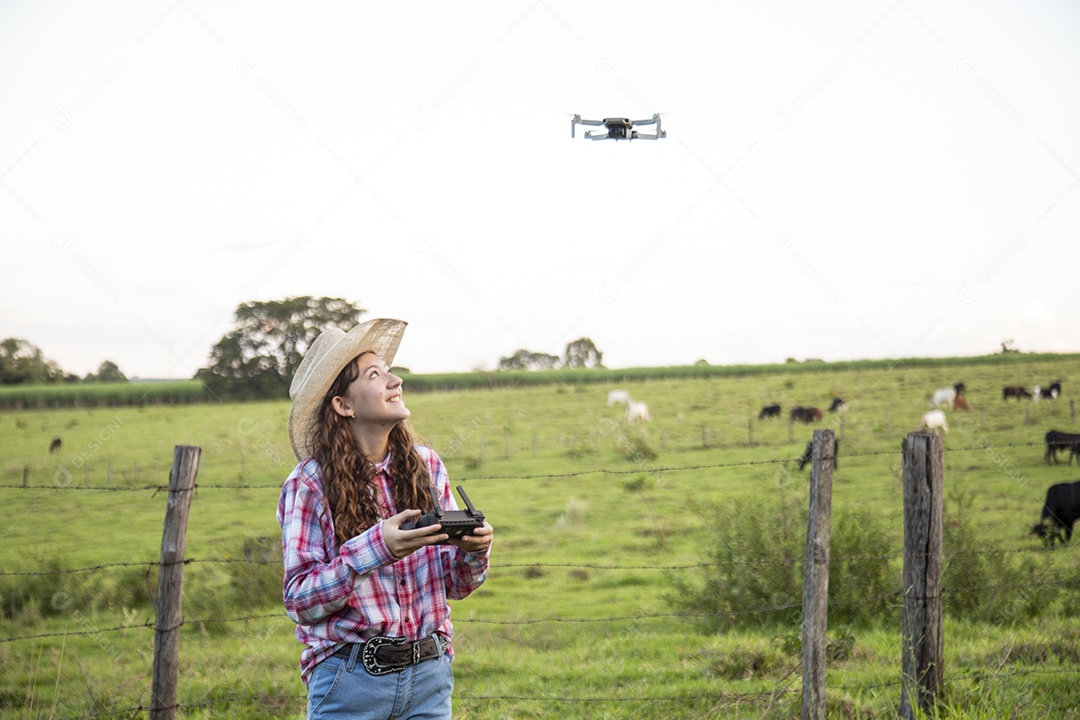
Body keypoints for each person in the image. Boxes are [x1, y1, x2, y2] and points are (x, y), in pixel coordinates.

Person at [277, 318, 493, 719]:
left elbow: (458, 586)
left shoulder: (426, 467)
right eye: (375, 374)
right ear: (343, 405)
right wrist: (376, 548)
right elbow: (299, 600)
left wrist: (474, 551)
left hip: (430, 677)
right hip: (350, 682)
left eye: (390, 371)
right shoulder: (309, 483)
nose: (395, 381)